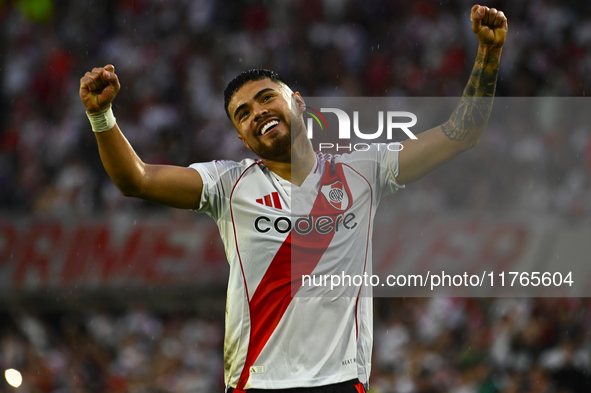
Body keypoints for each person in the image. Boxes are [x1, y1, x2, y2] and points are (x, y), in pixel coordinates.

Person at [79, 4, 507, 392]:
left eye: (266, 98)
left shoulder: (364, 170)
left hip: (339, 380)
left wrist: (488, 54)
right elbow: (136, 179)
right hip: (257, 382)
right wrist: (101, 115)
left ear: (299, 104)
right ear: (242, 139)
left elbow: (460, 134)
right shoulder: (228, 185)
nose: (257, 112)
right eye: (242, 114)